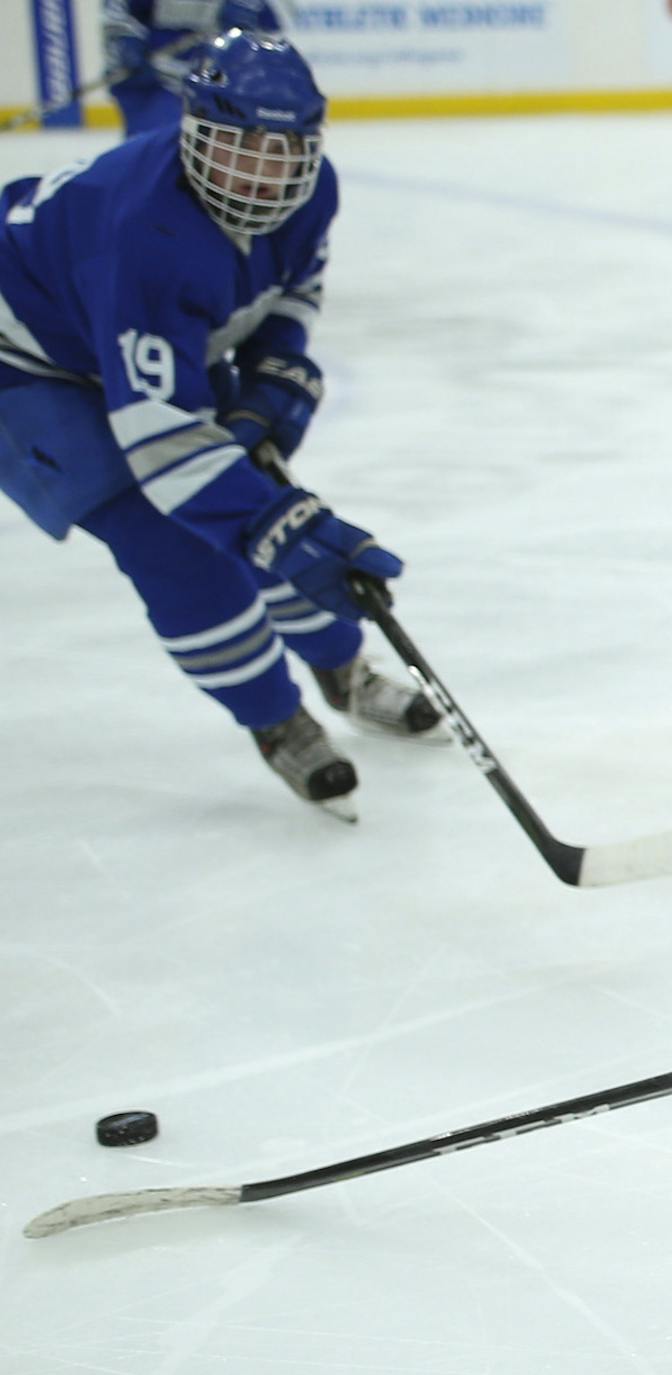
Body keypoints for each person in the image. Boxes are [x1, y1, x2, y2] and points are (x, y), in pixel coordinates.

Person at [0, 30, 438, 821]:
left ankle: (345, 673)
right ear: (194, 132)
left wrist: (275, 369)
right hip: (27, 360)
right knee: (175, 537)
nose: (262, 175)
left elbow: (293, 288)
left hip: (130, 330)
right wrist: (272, 525)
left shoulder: (315, 192)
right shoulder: (143, 233)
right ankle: (277, 720)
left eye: (284, 151)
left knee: (262, 502)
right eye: (238, 147)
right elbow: (163, 447)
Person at [102, 1, 287, 137]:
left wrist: (248, 30)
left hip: (223, 88)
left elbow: (274, 38)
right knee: (157, 149)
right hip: (156, 82)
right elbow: (117, 15)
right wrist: (126, 46)